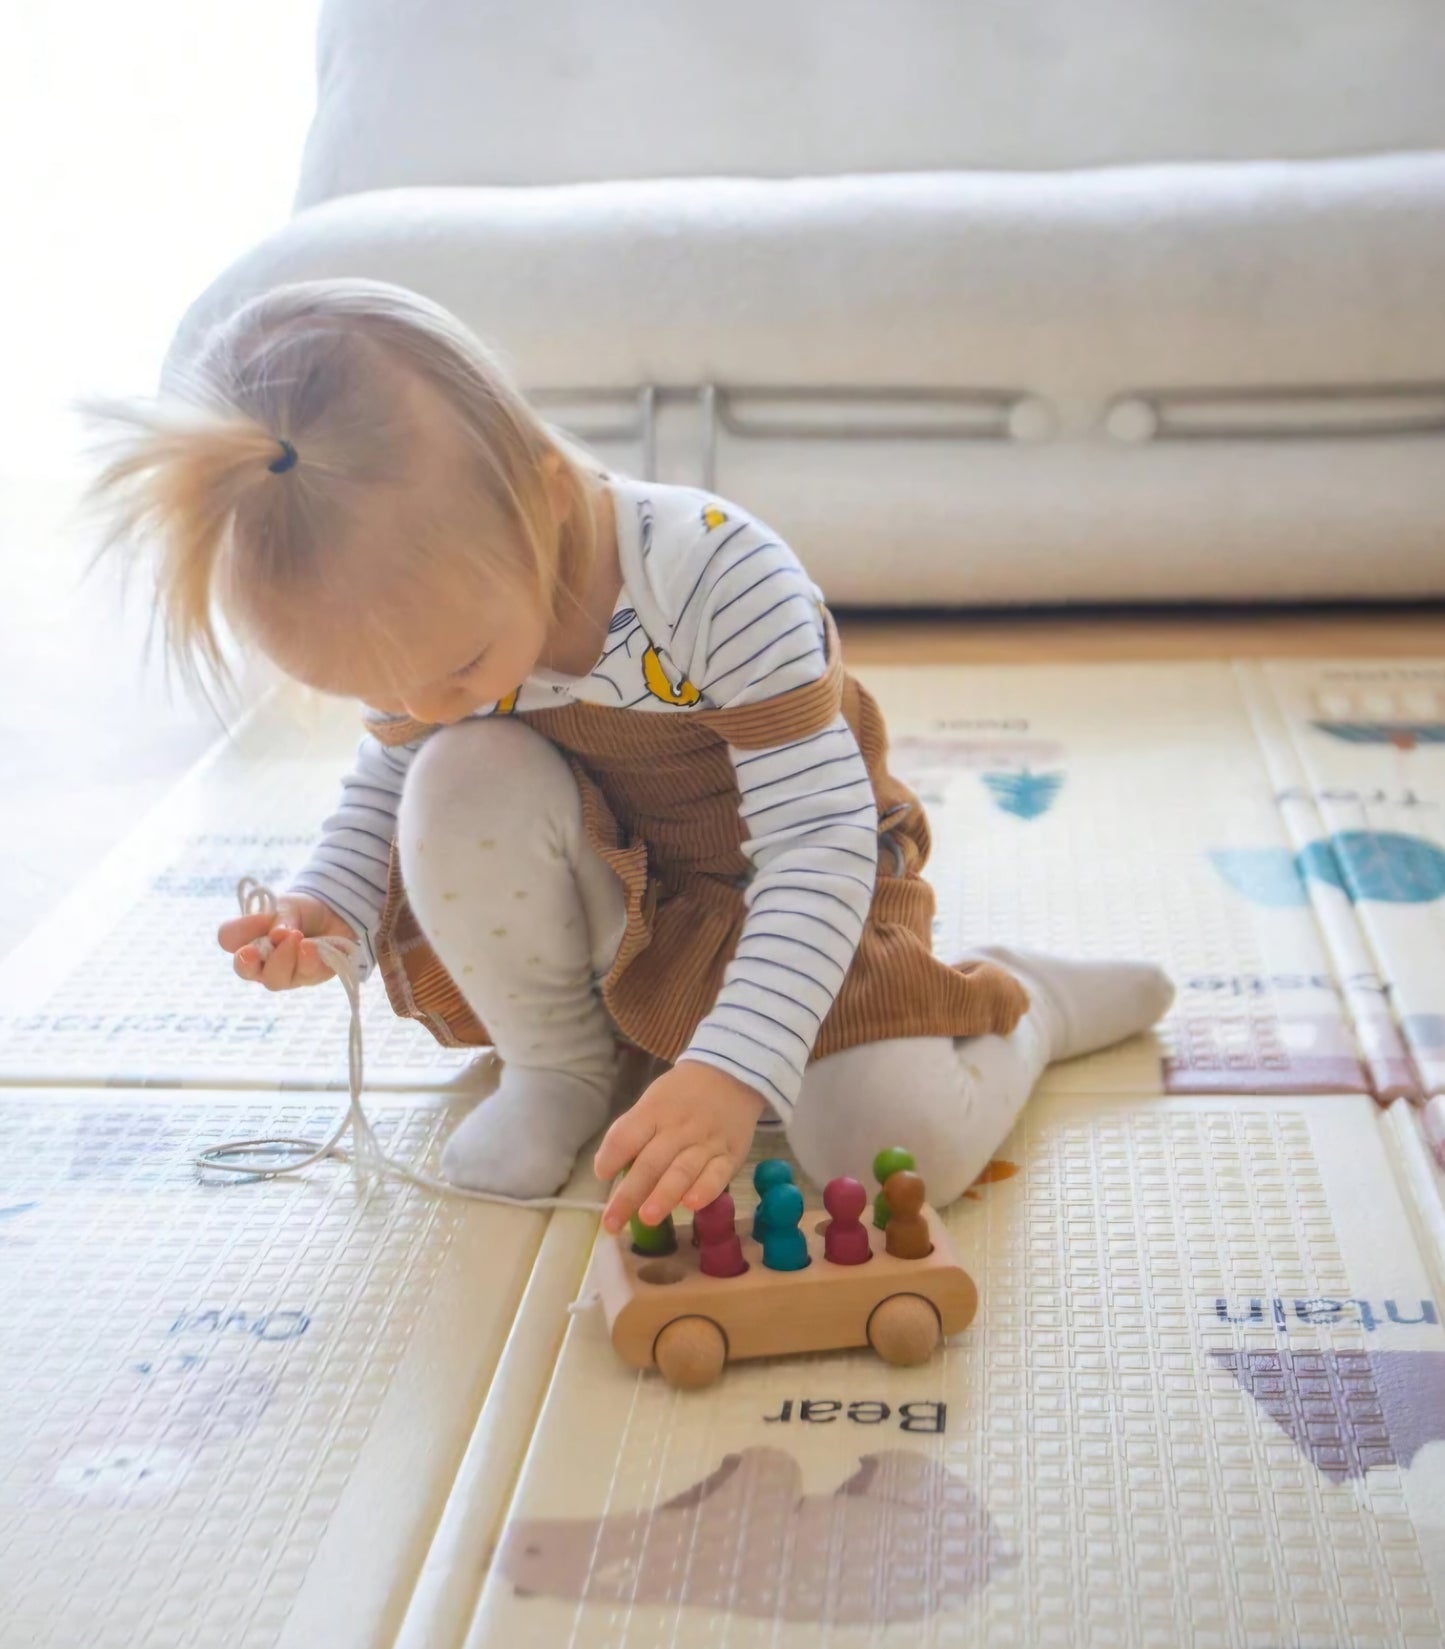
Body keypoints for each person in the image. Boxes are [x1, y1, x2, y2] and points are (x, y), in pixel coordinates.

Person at [81, 277, 1174, 1235]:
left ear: (546, 499)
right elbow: (387, 781)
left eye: (457, 667)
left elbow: (818, 844)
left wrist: (734, 1067)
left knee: (892, 1157)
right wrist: (331, 905)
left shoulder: (712, 575)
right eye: (377, 690)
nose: (418, 704)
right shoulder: (435, 637)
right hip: (616, 890)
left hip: (792, 887)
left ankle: (1026, 1003)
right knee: (450, 772)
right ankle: (561, 1061)